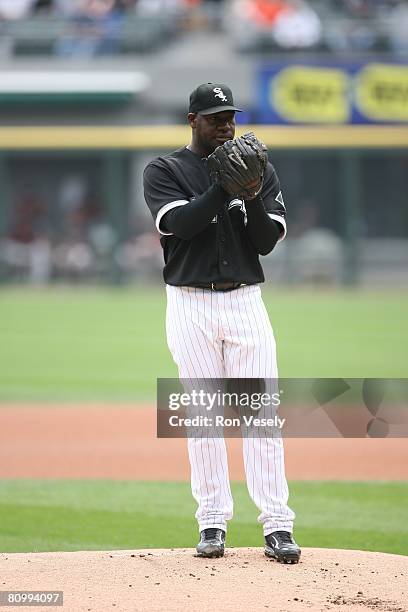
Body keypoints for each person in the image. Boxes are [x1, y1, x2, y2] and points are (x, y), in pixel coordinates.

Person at [143, 83, 300, 563]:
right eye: (215, 118)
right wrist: (221, 189)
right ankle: (212, 522)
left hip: (246, 302)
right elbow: (181, 225)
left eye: (230, 116)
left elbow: (266, 241)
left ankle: (277, 526)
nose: (226, 125)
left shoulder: (260, 168)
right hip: (189, 304)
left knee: (259, 414)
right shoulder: (164, 170)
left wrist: (251, 193)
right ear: (193, 120)